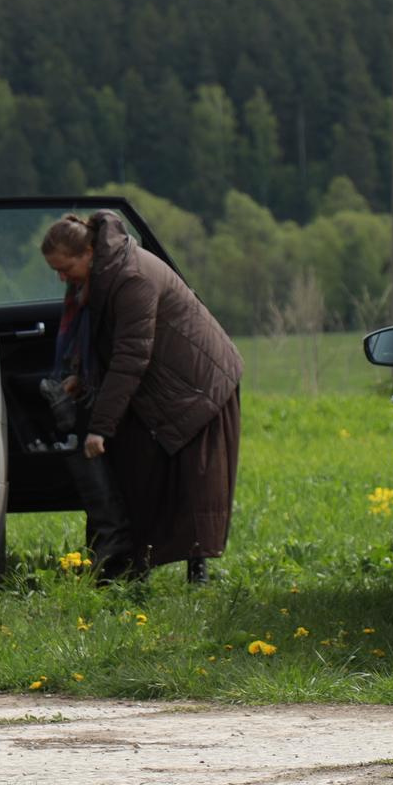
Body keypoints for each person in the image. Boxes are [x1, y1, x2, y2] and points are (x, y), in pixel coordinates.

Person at [39, 209, 242, 586]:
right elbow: (107, 342)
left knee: (191, 481)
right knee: (138, 471)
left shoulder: (132, 279)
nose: (61, 278)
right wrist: (81, 379)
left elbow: (131, 357)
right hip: (163, 377)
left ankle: (194, 573)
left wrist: (100, 427)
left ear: (88, 253)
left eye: (65, 268)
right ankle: (131, 567)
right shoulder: (100, 276)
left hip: (196, 382)